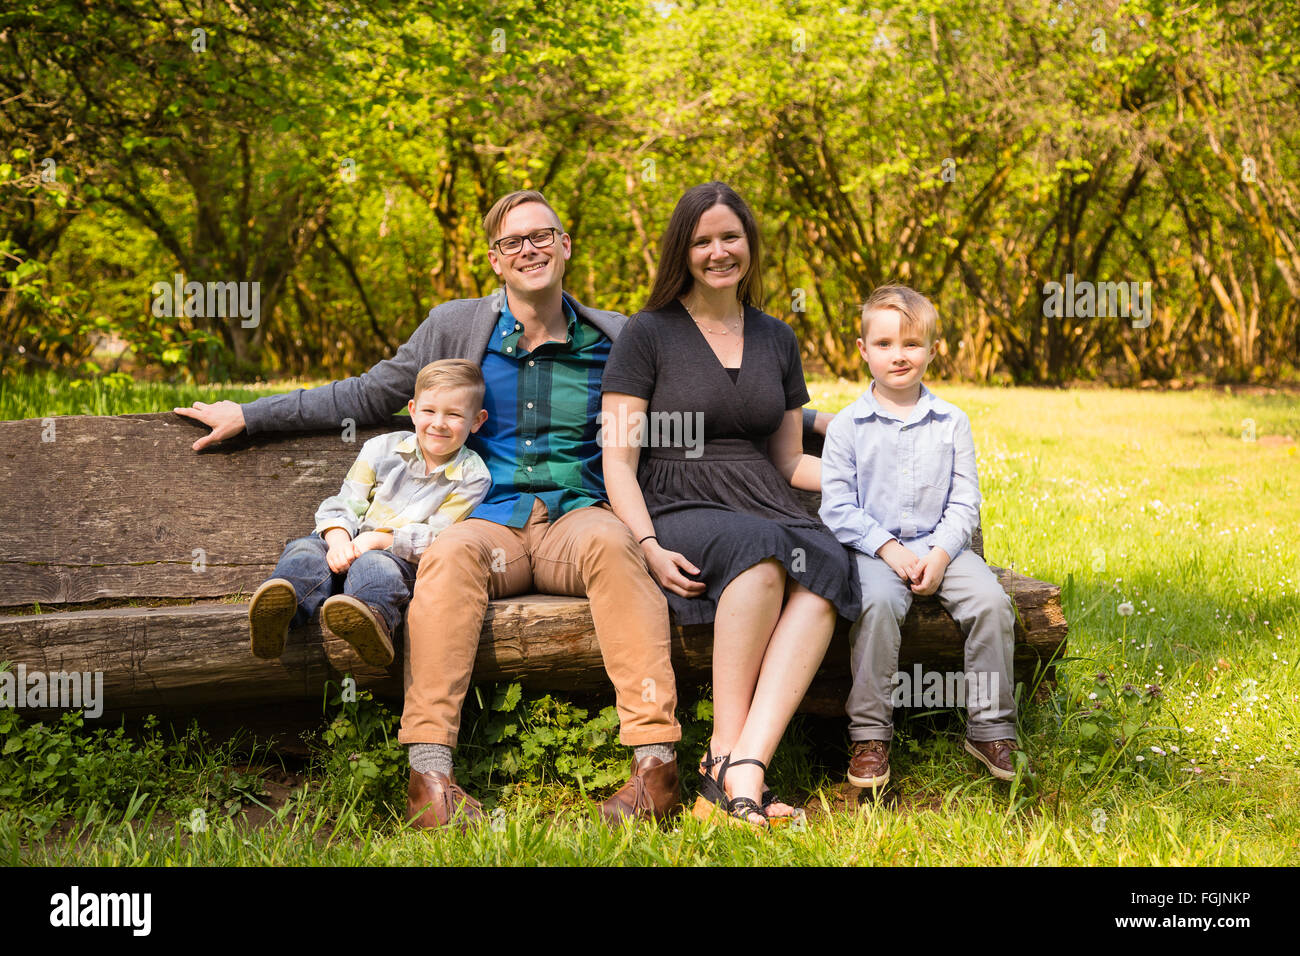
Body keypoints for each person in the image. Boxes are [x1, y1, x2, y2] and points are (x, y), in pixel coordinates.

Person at [175, 190, 683, 830]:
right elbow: (367, 392)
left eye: (541, 235)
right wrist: (249, 414)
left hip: (574, 519)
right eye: (511, 243)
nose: (529, 249)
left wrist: (809, 423)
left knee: (616, 546)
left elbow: (706, 399)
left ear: (566, 244)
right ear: (496, 262)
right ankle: (431, 782)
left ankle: (654, 771)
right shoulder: (456, 326)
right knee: (445, 558)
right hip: (481, 518)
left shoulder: (619, 336)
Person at [600, 181, 859, 830]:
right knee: (763, 554)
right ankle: (722, 758)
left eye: (730, 237)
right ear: (681, 251)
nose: (719, 252)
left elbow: (787, 460)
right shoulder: (647, 334)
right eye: (703, 240)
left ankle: (742, 768)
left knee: (825, 563)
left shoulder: (777, 337)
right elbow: (617, 461)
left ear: (750, 244)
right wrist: (648, 545)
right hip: (678, 500)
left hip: (764, 498)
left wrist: (865, 476)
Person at [818, 285, 1025, 790]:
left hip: (942, 546)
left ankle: (991, 727)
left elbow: (964, 501)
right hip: (873, 549)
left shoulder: (952, 422)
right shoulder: (847, 426)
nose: (899, 355)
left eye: (912, 344)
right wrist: (889, 550)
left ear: (933, 349)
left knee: (993, 605)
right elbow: (838, 507)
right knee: (877, 606)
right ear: (863, 349)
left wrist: (939, 554)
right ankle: (870, 735)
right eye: (884, 344)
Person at [247, 360, 491, 669]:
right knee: (305, 549)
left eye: (454, 414)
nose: (439, 423)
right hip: (345, 542)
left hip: (398, 555)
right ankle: (281, 609)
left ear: (476, 421)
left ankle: (370, 619)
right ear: (413, 410)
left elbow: (439, 536)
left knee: (379, 570)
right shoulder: (381, 449)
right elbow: (345, 503)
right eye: (429, 411)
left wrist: (376, 541)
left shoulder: (473, 475)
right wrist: (338, 542)